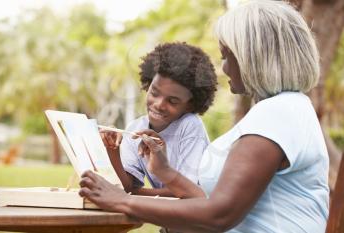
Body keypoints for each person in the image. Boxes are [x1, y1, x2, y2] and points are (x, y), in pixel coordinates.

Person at [80, 1, 330, 232]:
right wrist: (166, 172)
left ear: (252, 58)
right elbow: (210, 202)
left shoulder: (277, 114)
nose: (223, 67)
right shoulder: (286, 109)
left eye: (226, 55)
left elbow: (219, 214)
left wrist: (123, 201)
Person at [101, 42, 218, 198]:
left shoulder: (189, 125)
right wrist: (112, 150)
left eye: (173, 101)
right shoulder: (136, 128)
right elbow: (127, 185)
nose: (159, 104)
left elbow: (187, 192)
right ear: (148, 85)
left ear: (190, 105)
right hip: (169, 218)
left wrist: (136, 193)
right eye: (154, 93)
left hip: (196, 218)